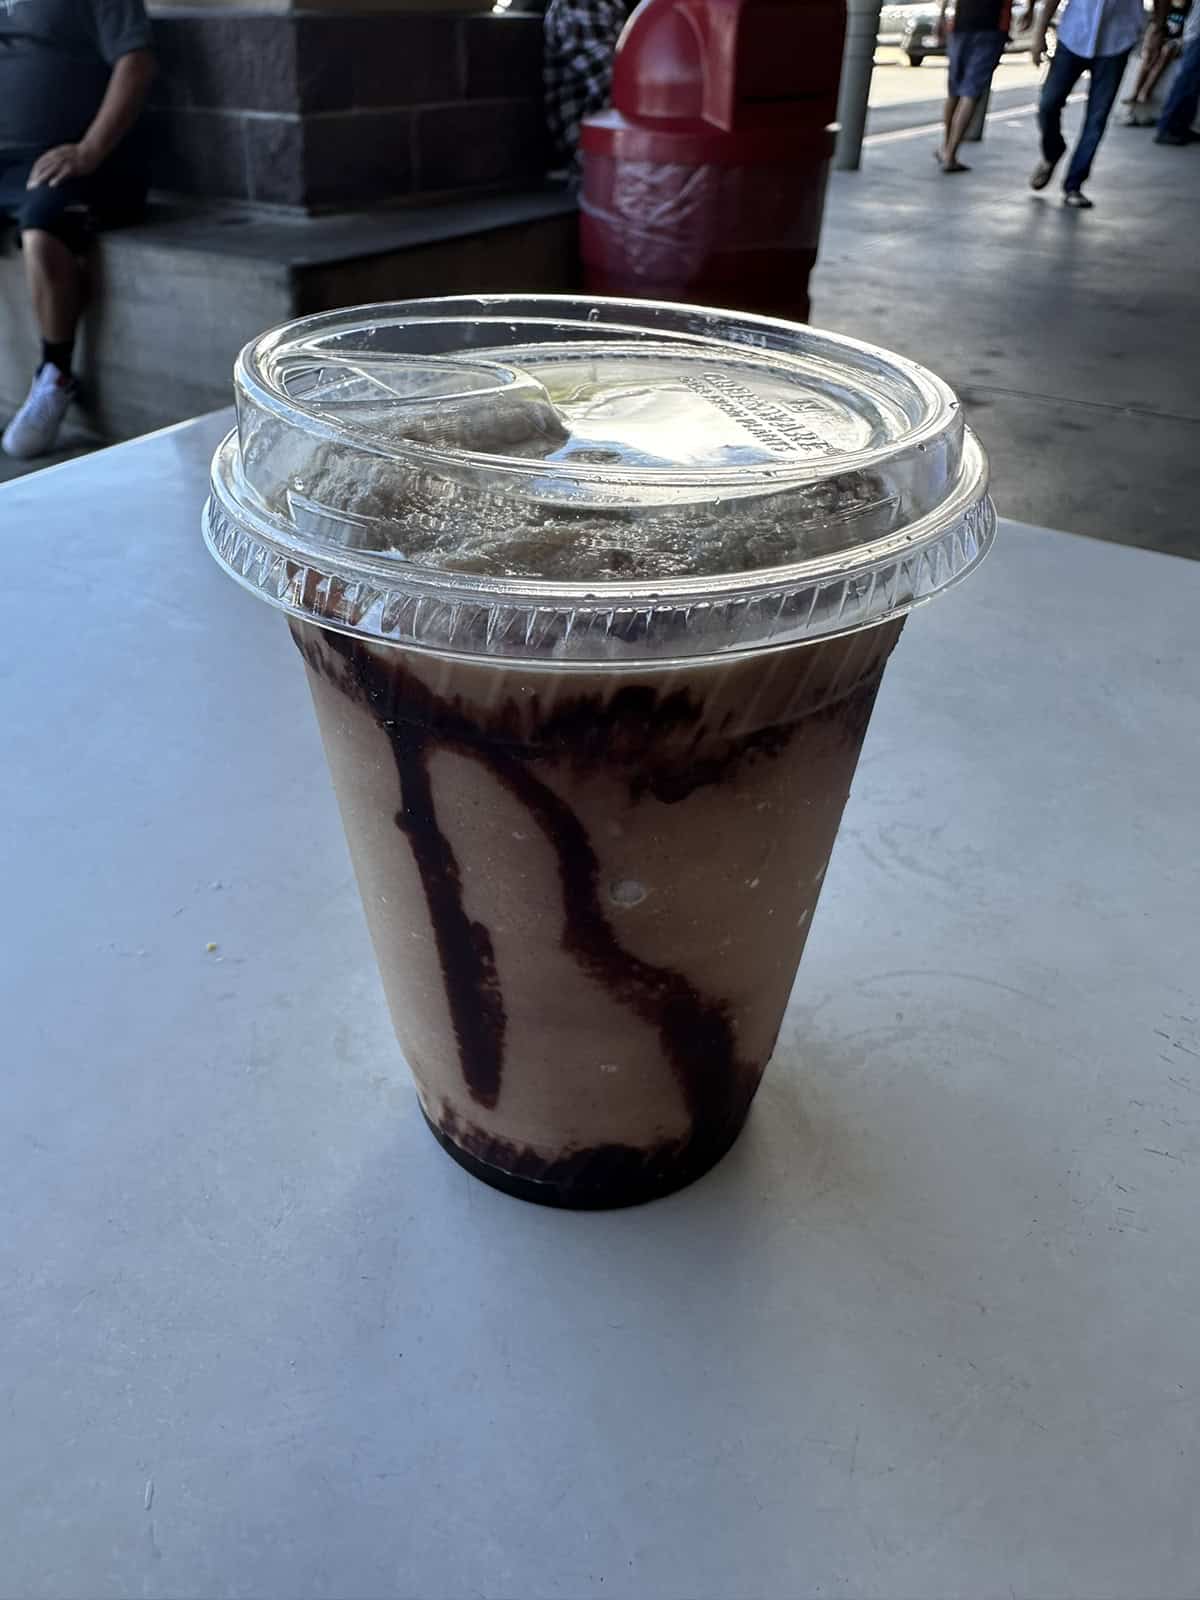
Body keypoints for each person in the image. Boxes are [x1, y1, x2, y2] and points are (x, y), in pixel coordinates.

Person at [0, 0, 155, 459]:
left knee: (44, 226)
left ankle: (55, 376)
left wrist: (88, 150)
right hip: (7, 160)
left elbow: (137, 61)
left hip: (84, 159)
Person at [1028, 0, 1145, 205]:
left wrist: (1159, 28)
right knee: (1048, 104)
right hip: (1074, 35)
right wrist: (1039, 33)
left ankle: (1074, 184)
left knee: (1097, 118)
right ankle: (1053, 151)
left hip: (1117, 41)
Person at [543, 0, 633, 176]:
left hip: (622, 143)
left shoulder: (610, 5)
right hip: (595, 153)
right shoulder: (580, 5)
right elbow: (617, 87)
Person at [937, 0, 1014, 172]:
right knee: (970, 93)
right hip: (991, 28)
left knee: (954, 92)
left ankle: (945, 147)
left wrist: (941, 16)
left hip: (961, 26)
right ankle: (951, 154)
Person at [1122, 0, 1190, 124]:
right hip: (1163, 35)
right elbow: (1156, 21)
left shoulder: (1190, 6)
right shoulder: (1164, 6)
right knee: (1149, 57)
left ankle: (1145, 92)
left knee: (1165, 52)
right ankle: (1136, 94)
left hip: (1176, 40)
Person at [1155, 0, 1200, 141]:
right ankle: (1167, 127)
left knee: (1193, 84)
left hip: (1194, 32)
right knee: (1187, 80)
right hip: (1197, 34)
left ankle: (1181, 126)